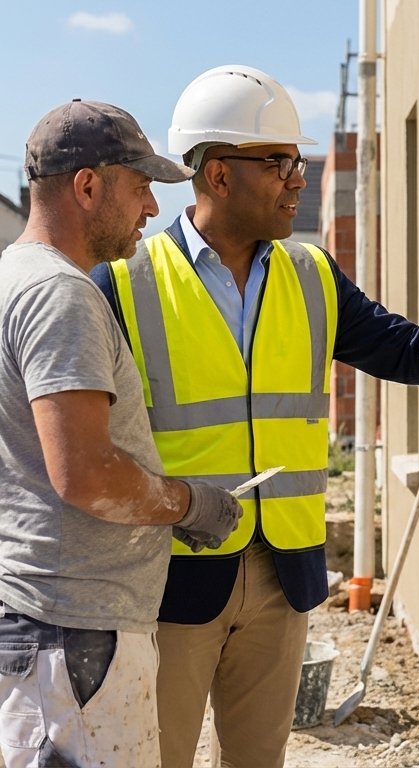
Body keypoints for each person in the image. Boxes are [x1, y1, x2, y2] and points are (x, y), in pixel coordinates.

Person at [87, 65, 419, 768]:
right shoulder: (124, 283)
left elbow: (411, 352)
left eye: (297, 161)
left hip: (280, 578)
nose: (299, 177)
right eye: (280, 162)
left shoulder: (312, 276)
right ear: (220, 175)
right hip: (169, 580)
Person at [0, 101, 244, 767]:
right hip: (75, 638)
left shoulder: (11, 279)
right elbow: (85, 474)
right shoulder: (61, 296)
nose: (149, 209)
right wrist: (190, 505)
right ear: (86, 186)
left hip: (50, 627)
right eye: (139, 188)